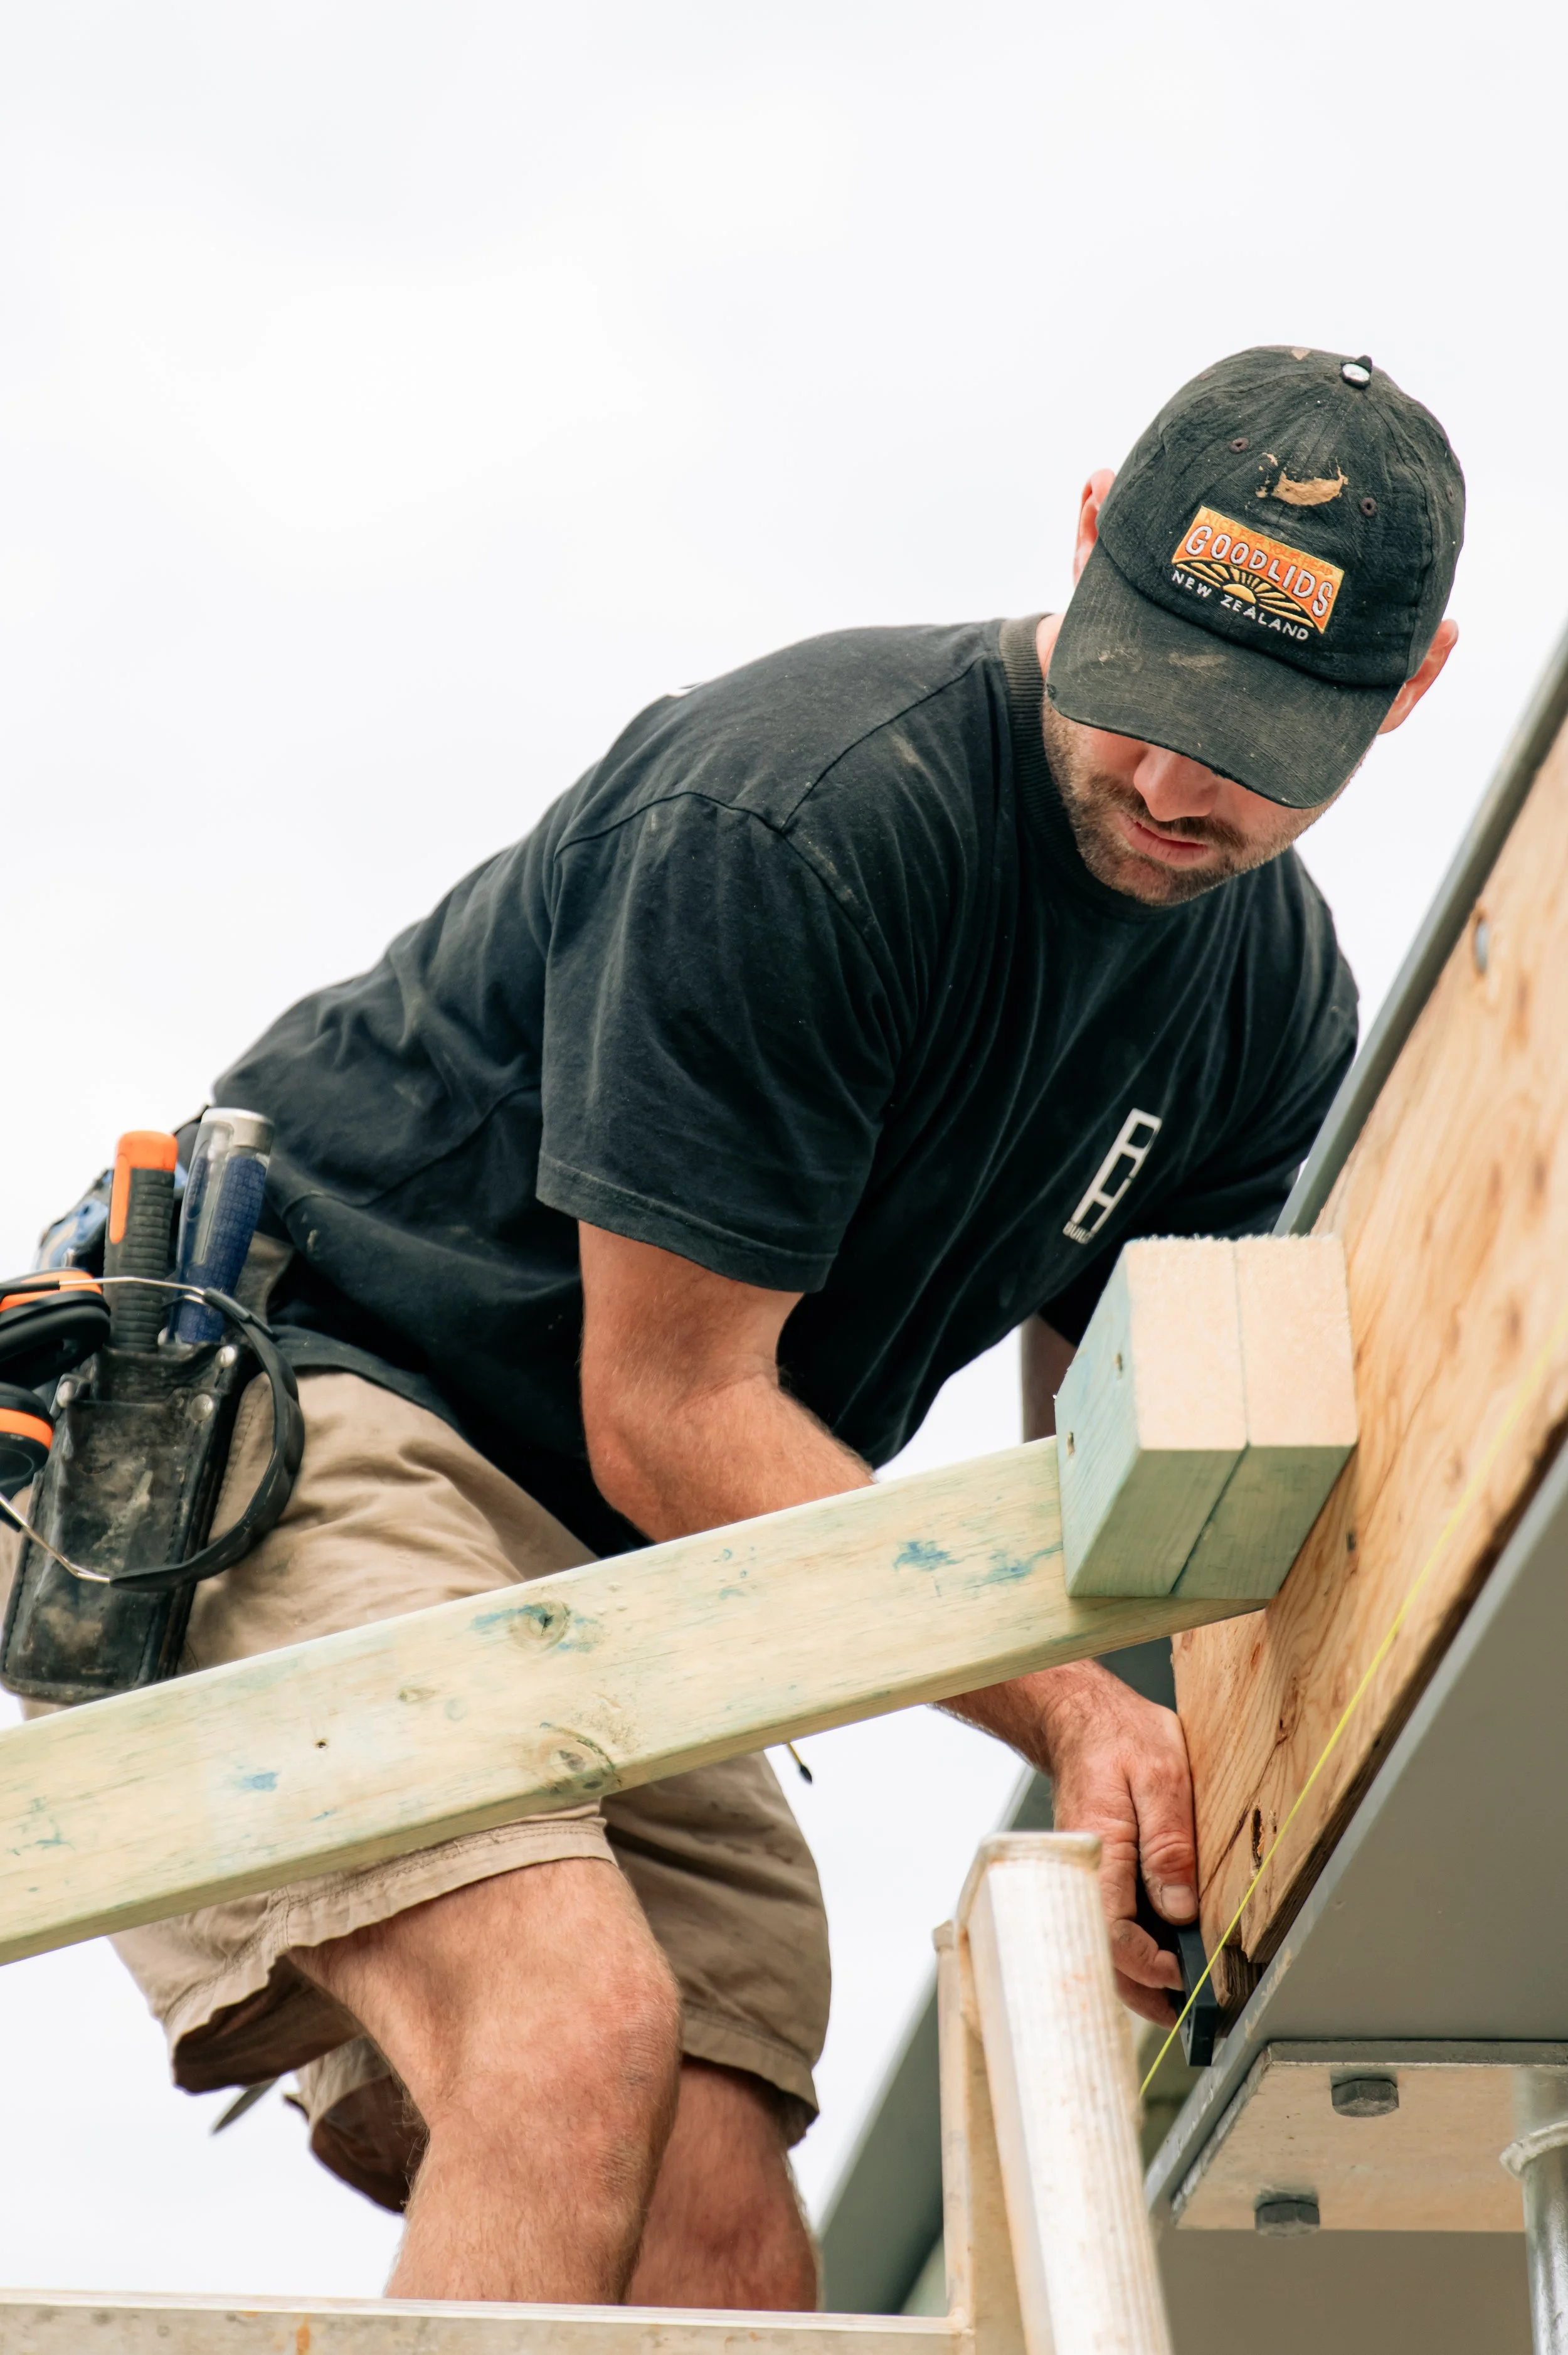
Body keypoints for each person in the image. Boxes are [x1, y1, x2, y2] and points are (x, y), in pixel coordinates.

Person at [93, 346, 1466, 2305]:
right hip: (323, 1418)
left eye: (1253, 740)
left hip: (648, 1545)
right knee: (565, 2035)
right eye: (1149, 692)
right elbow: (669, 1407)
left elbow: (1124, 1497)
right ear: (1088, 539)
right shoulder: (808, 810)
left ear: (1407, 693)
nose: (1173, 787)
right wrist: (1071, 1726)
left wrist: (1160, 1824)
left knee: (721, 2240)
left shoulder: (1265, 999)